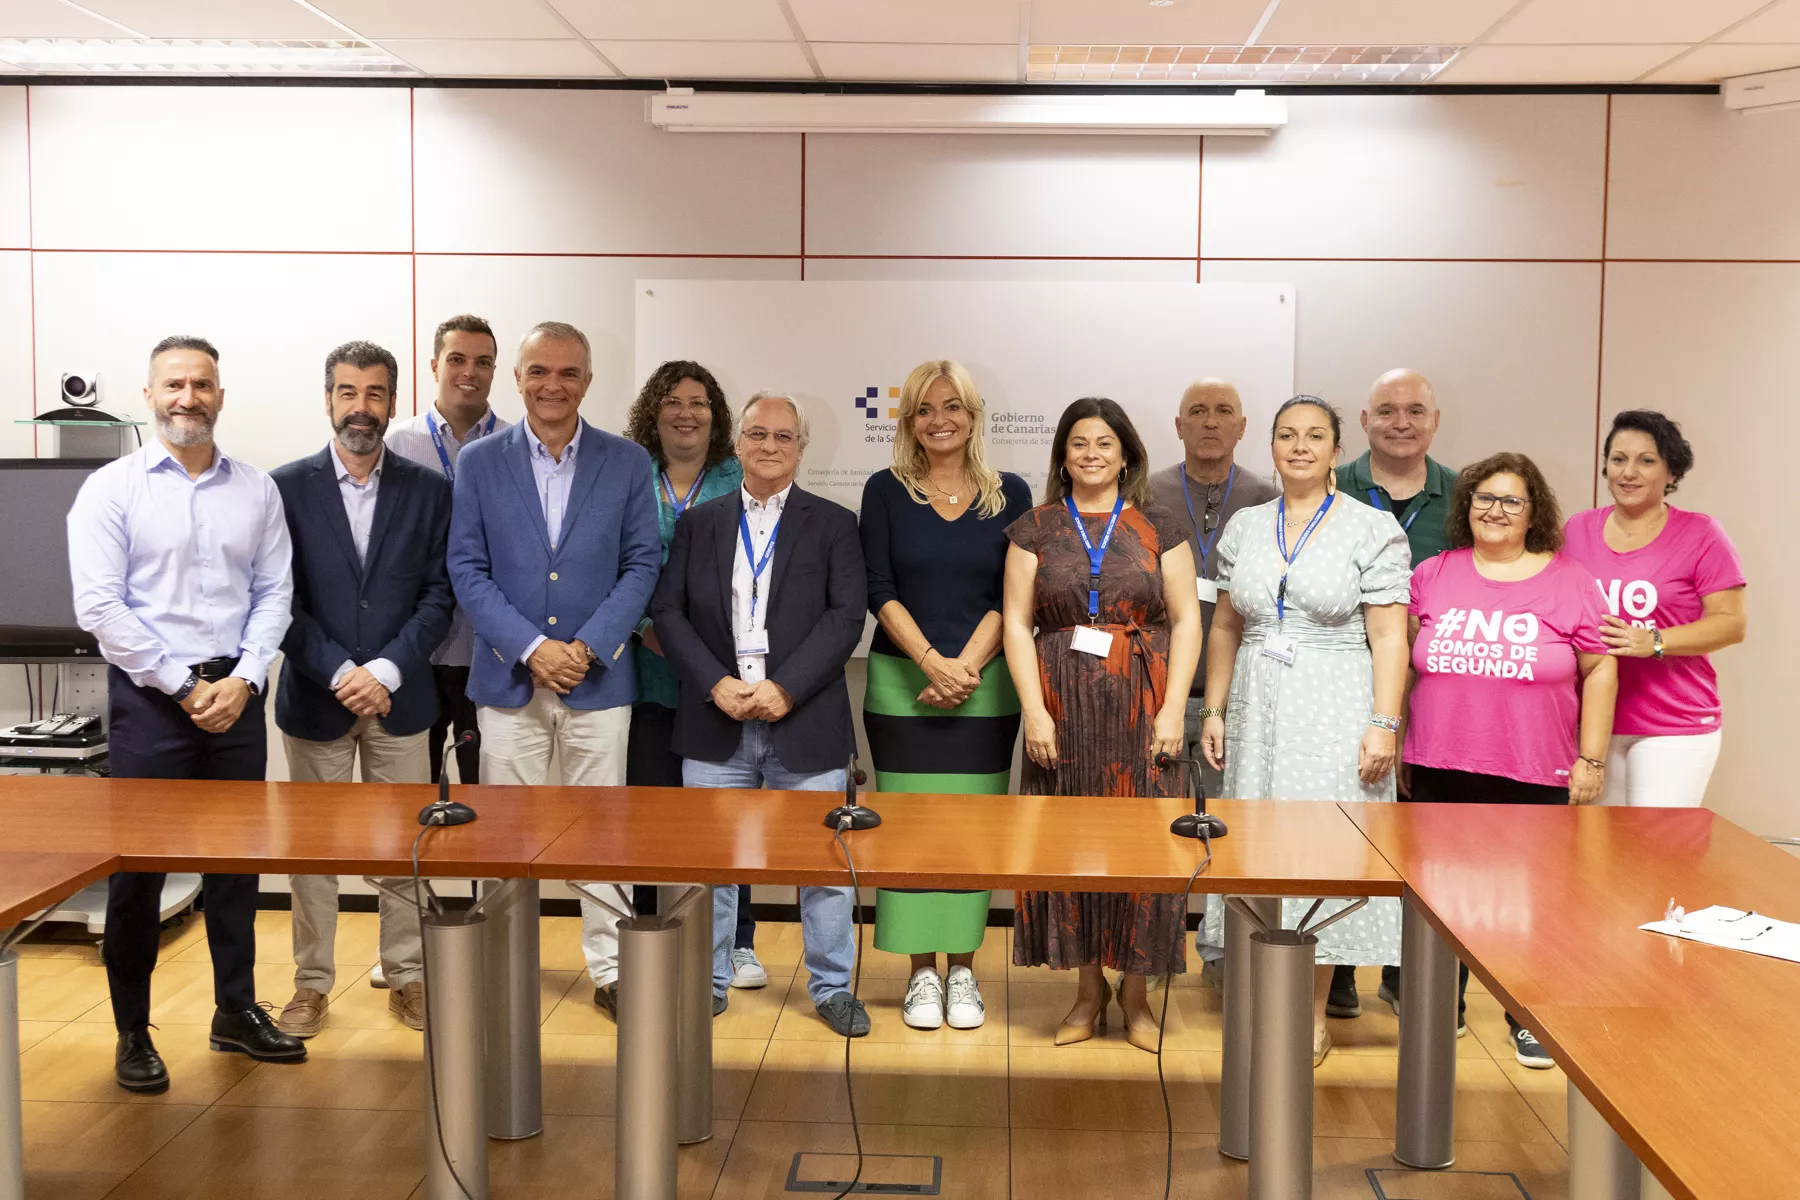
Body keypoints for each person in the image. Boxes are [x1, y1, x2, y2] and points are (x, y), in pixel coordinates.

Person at [67, 335, 305, 1093]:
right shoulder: (111, 490)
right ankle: (132, 1031)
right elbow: (100, 605)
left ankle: (235, 1011)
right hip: (150, 705)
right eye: (174, 384)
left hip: (236, 699)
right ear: (149, 396)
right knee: (138, 876)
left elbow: (275, 594)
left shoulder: (257, 490)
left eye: (202, 384)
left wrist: (242, 680)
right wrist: (180, 684)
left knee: (236, 869)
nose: (188, 397)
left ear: (220, 396)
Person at [447, 320, 662, 1020]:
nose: (553, 385)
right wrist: (532, 649)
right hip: (510, 681)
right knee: (506, 832)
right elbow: (466, 568)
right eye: (539, 371)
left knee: (601, 833)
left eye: (568, 373)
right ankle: (505, 966)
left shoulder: (627, 463)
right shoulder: (479, 463)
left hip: (598, 681)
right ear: (518, 378)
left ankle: (608, 968)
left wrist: (589, 647)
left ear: (588, 383)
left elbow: (641, 565)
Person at [649, 392, 870, 1035]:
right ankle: (707, 979)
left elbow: (845, 618)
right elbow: (669, 613)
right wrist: (716, 683)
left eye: (783, 436)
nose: (769, 446)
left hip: (801, 722)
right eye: (757, 435)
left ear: (801, 448)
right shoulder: (702, 523)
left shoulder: (834, 523)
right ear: (737, 444)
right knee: (711, 864)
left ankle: (830, 988)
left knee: (824, 865)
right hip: (716, 721)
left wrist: (787, 689)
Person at [1200, 395, 1410, 1067]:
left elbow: (1388, 634)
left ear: (1336, 450)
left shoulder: (1371, 528)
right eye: (1286, 435)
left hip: (1336, 701)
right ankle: (1265, 1000)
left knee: (1323, 857)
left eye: (1314, 436)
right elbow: (1227, 625)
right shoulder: (1245, 526)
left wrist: (1383, 722)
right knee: (1258, 852)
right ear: (1271, 447)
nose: (1299, 446)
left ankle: (1312, 1013)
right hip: (1257, 708)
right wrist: (1213, 708)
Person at [1002, 397, 1202, 1054]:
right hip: (1061, 704)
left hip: (1143, 704)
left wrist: (1174, 708)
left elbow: (1188, 620)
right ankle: (1087, 993)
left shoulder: (1160, 526)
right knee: (1071, 847)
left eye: (1104, 444)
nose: (1092, 454)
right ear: (1063, 454)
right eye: (1079, 443)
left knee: (1147, 849)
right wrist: (1035, 711)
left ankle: (1138, 997)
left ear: (1126, 455)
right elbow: (1015, 622)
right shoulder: (1034, 528)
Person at [1404, 452, 1616, 1067]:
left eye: (1511, 501)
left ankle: (1527, 1014)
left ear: (1534, 513)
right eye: (1483, 499)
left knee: (1532, 900)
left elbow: (1601, 667)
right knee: (1442, 896)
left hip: (1533, 766)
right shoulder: (1434, 574)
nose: (1495, 511)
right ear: (1465, 508)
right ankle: (1444, 1005)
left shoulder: (1570, 579)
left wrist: (1592, 760)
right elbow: (1401, 660)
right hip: (1440, 762)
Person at [270, 340, 454, 1038]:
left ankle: (405, 977)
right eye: (348, 392)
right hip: (317, 698)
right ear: (328, 400)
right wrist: (340, 671)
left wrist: (384, 671)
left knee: (403, 846)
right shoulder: (284, 488)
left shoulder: (429, 489)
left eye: (375, 394)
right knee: (312, 853)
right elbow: (275, 598)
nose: (361, 407)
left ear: (391, 401)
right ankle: (311, 984)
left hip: (399, 698)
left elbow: (439, 596)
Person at [860, 360, 1032, 1032]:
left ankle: (962, 969)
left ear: (973, 415)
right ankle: (918, 976)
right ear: (909, 421)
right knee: (908, 833)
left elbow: (1013, 594)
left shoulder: (1009, 494)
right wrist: (932, 661)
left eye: (953, 407)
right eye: (927, 409)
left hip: (985, 688)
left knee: (971, 831)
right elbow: (879, 588)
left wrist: (964, 666)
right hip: (901, 684)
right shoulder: (885, 490)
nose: (940, 420)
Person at [620, 360, 762, 988]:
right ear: (654, 410)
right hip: (646, 669)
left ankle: (738, 940)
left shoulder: (743, 474)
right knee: (654, 813)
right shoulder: (628, 476)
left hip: (721, 677)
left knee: (730, 817)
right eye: (672, 400)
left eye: (699, 402)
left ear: (717, 414)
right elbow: (607, 562)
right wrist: (639, 630)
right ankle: (655, 934)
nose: (686, 411)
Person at [1333, 367, 1456, 1018]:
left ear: (1436, 421)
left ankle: (1415, 973)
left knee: (1428, 843)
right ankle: (1342, 967)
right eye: (1386, 410)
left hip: (1442, 695)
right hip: (1344, 686)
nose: (1401, 421)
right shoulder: (1330, 485)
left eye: (1415, 410)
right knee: (1350, 831)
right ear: (1363, 421)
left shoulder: (1464, 497)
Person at [1563, 411, 1747, 808]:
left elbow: (1731, 624)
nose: (1628, 472)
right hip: (1592, 724)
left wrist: (1656, 641)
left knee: (1656, 856)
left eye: (1646, 460)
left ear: (1671, 473)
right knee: (1591, 854)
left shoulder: (1701, 533)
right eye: (1618, 459)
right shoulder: (1576, 530)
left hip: (1673, 725)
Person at [385, 314, 511, 788]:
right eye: (457, 359)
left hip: (490, 648)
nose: (469, 372)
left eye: (483, 362)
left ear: (495, 371)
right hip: (419, 646)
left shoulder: (514, 445)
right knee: (416, 786)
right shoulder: (396, 444)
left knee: (489, 786)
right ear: (435, 364)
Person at [1149, 379, 1280, 798]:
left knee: (1225, 820)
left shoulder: (1268, 501)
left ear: (1242, 427)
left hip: (1236, 696)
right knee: (1153, 819)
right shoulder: (1145, 496)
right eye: (1198, 411)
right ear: (1178, 425)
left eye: (1224, 412)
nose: (1210, 422)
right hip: (1157, 691)